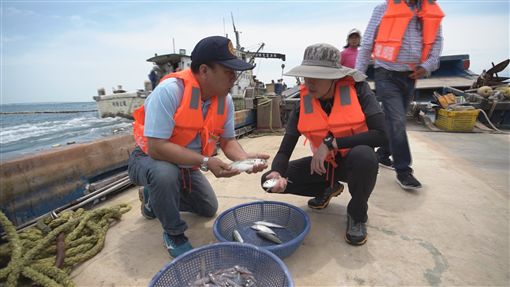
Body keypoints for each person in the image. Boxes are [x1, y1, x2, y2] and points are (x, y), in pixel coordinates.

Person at [129, 36, 269, 258]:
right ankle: (173, 234)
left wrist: (244, 159)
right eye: (228, 71)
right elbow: (156, 148)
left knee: (207, 208)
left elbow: (228, 141)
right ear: (204, 71)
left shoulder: (225, 100)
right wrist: (206, 161)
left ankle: (154, 199)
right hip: (148, 159)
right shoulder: (170, 91)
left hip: (187, 164)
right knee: (165, 173)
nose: (234, 78)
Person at [260, 43, 388, 245]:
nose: (309, 84)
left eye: (316, 78)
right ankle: (328, 188)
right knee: (267, 182)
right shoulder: (304, 102)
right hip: (323, 166)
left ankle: (357, 215)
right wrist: (276, 172)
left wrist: (331, 143)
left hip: (353, 164)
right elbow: (285, 149)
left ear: (333, 77)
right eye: (306, 77)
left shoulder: (359, 90)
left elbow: (382, 135)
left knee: (365, 156)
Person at [356, 0, 444, 190]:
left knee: (394, 120)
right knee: (397, 121)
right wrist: (358, 77)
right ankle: (403, 170)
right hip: (386, 73)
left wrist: (427, 66)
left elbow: (437, 42)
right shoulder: (383, 9)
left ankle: (383, 153)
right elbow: (367, 42)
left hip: (411, 76)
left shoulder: (429, 11)